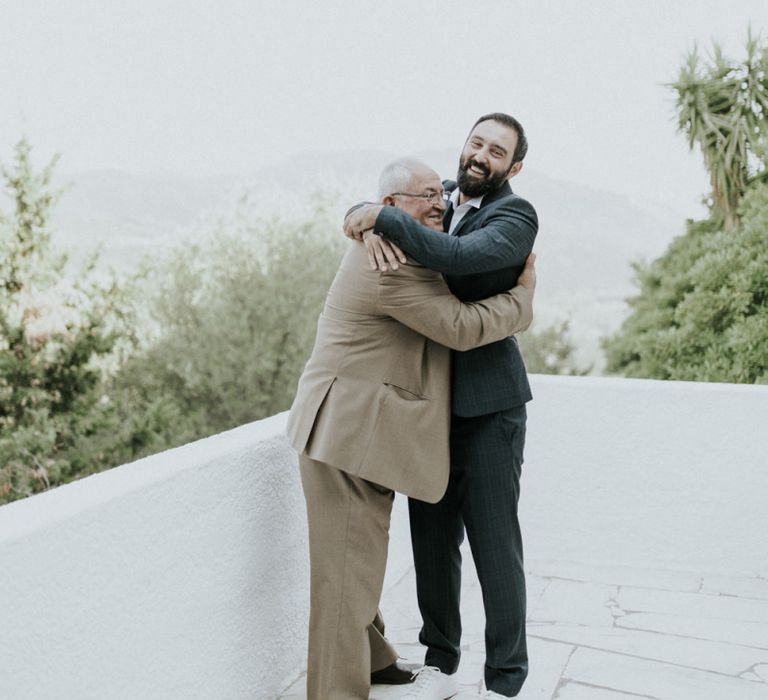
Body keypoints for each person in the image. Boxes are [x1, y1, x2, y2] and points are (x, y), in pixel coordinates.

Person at [287, 156, 536, 700]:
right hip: (345, 435)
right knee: (344, 576)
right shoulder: (390, 264)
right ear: (393, 207)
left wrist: (365, 213)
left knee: (356, 560)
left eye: (439, 192)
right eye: (424, 195)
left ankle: (374, 660)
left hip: (355, 432)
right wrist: (521, 301)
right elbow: (462, 327)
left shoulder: (397, 238)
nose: (439, 202)